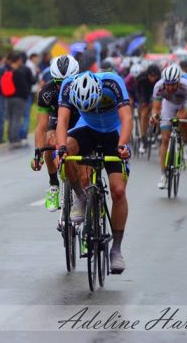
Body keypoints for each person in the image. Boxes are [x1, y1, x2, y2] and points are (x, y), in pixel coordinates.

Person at [56, 71, 132, 274]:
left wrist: (123, 145)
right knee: (66, 151)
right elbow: (62, 121)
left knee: (118, 191)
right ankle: (81, 197)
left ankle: (116, 249)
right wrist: (61, 148)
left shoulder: (113, 83)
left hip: (113, 133)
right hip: (87, 128)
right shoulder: (68, 85)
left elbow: (126, 118)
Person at [31, 54, 79, 211]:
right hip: (57, 117)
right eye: (59, 82)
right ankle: (53, 185)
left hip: (80, 118)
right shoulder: (47, 92)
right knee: (48, 141)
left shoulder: (84, 85)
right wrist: (37, 153)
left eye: (67, 82)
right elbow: (40, 126)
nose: (63, 86)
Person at [149, 64, 187, 189]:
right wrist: (154, 116)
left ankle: (186, 143)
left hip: (184, 103)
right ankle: (163, 175)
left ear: (178, 82)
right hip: (168, 105)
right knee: (165, 139)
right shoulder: (159, 86)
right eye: (168, 84)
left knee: (181, 117)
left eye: (173, 84)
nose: (170, 87)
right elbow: (155, 108)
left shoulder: (186, 85)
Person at [136, 64, 161, 154]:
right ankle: (143, 138)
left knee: (158, 113)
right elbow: (138, 92)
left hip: (157, 95)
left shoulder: (161, 79)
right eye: (151, 76)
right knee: (144, 114)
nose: (153, 78)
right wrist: (142, 102)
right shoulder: (142, 78)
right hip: (145, 94)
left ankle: (157, 132)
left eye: (155, 76)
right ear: (148, 75)